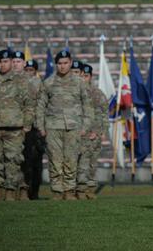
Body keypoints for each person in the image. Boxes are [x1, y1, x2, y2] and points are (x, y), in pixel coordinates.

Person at [36, 50, 92, 200]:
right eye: (60, 63)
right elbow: (41, 106)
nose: (62, 66)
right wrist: (41, 127)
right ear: (56, 64)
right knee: (55, 160)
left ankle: (69, 190)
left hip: (74, 127)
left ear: (71, 62)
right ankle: (57, 191)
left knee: (71, 160)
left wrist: (85, 127)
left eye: (65, 63)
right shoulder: (48, 82)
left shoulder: (79, 82)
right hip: (53, 127)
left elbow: (88, 105)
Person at [0, 49, 33, 201]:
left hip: (15, 127)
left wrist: (27, 124)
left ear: (11, 62)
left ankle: (10, 190)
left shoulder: (21, 80)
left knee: (13, 161)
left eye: (6, 61)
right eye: (0, 62)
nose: (3, 64)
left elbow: (28, 104)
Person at [76, 63, 108, 200]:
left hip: (94, 135)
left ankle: (90, 189)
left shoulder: (97, 94)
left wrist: (100, 132)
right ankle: (79, 190)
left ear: (91, 77)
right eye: (81, 76)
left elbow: (103, 115)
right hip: (79, 133)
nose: (84, 79)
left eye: (86, 76)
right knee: (78, 164)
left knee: (91, 164)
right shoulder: (75, 93)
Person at [22, 59, 45, 200]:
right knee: (23, 162)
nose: (29, 73)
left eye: (31, 70)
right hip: (23, 127)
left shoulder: (41, 85)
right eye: (27, 70)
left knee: (35, 162)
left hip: (36, 129)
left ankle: (34, 191)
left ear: (36, 71)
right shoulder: (19, 84)